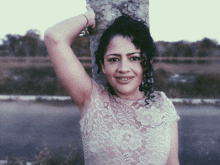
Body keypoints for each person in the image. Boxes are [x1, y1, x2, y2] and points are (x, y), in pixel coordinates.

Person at [44, 4, 180, 165]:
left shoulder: (163, 105)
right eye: (114, 59)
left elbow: (172, 162)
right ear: (103, 65)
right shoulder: (91, 99)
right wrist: (88, 18)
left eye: (134, 58)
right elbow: (54, 37)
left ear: (147, 62)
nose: (123, 68)